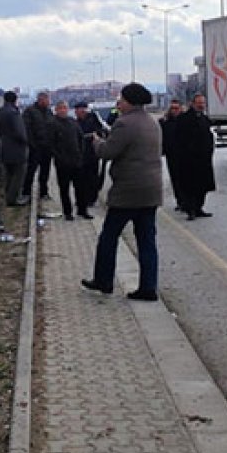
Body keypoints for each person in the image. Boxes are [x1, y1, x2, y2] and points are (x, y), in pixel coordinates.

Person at [81, 83, 164, 301]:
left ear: (129, 101)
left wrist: (97, 142)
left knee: (109, 237)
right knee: (147, 241)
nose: (120, 103)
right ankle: (148, 287)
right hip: (151, 191)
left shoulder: (124, 124)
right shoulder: (152, 122)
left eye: (122, 99)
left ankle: (103, 281)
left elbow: (108, 152)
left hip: (128, 192)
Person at [176, 94, 216, 219]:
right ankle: (190, 209)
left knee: (202, 186)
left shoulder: (204, 118)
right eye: (199, 103)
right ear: (192, 104)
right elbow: (180, 139)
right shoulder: (184, 119)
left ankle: (199, 208)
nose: (201, 105)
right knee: (190, 186)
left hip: (203, 159)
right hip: (189, 159)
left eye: (203, 103)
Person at [47, 100, 84, 220]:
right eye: (61, 108)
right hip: (62, 163)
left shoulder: (73, 122)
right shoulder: (52, 124)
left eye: (65, 108)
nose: (63, 110)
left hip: (76, 160)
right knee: (64, 189)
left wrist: (80, 153)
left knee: (80, 187)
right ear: (56, 110)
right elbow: (50, 144)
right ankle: (68, 212)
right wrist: (59, 157)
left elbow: (80, 138)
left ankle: (82, 210)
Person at [0, 91, 30, 206]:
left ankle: (8, 197)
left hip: (5, 147)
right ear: (15, 100)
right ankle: (13, 199)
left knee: (9, 174)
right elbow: (20, 132)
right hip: (17, 149)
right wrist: (26, 141)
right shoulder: (14, 113)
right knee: (18, 175)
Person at [73, 101, 106, 217]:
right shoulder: (75, 122)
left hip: (92, 153)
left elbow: (101, 132)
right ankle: (82, 200)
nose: (79, 113)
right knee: (81, 179)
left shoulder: (93, 119)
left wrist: (93, 136)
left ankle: (92, 198)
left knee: (92, 177)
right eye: (77, 111)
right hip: (80, 155)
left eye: (81, 110)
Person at [22, 92, 53, 199]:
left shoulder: (49, 112)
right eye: (46, 100)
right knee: (30, 171)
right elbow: (27, 130)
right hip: (35, 148)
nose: (48, 102)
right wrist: (32, 144)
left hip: (47, 148)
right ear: (40, 100)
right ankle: (26, 192)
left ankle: (44, 192)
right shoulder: (30, 111)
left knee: (45, 172)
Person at [160, 100, 186, 212]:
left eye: (177, 108)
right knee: (175, 179)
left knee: (185, 179)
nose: (174, 111)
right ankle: (180, 201)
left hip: (184, 155)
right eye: (172, 108)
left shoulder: (185, 121)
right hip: (171, 155)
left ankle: (187, 201)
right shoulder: (165, 122)